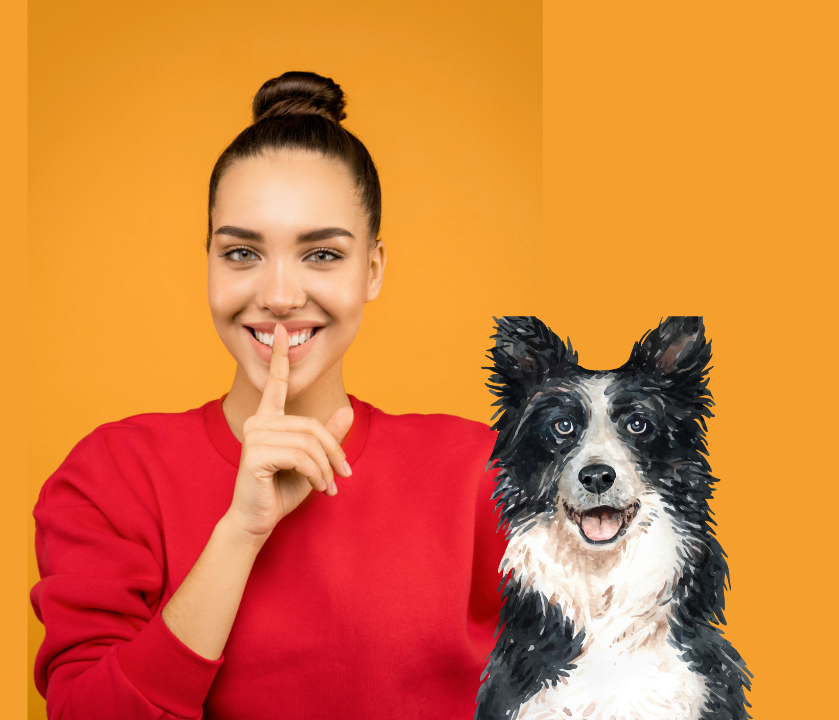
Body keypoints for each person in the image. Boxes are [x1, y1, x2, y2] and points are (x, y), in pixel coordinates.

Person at [31, 71, 508, 720]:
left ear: (372, 269)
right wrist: (239, 534)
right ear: (208, 262)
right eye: (242, 253)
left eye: (321, 255)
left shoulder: (484, 474)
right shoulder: (110, 476)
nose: (280, 295)